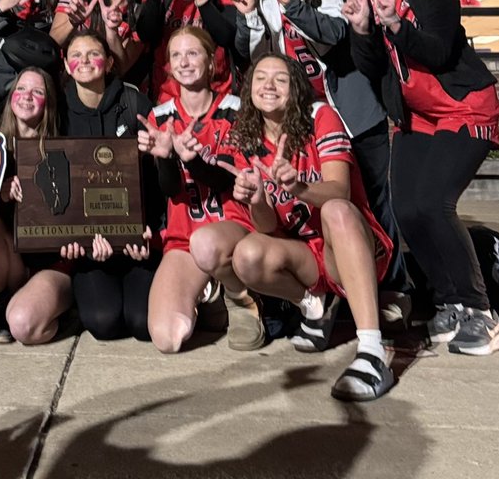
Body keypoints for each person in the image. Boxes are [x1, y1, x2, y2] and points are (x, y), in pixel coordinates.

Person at [229, 0, 410, 325]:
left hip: (348, 107)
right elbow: (256, 57)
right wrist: (250, 15)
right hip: (305, 116)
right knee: (319, 204)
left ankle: (394, 288)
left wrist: (293, 4)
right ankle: (335, 293)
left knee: (377, 201)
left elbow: (336, 33)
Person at [342, 0, 499, 356]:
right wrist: (363, 31)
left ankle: (481, 311)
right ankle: (450, 301)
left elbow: (439, 50)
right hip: (414, 115)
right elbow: (371, 68)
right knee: (407, 210)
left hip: (464, 105)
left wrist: (393, 22)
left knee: (434, 202)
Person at [224, 53, 395, 402]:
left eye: (281, 79)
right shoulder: (244, 134)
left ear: (296, 88)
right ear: (248, 88)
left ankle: (373, 352)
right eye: (260, 78)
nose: (269, 85)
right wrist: (257, 198)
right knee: (247, 254)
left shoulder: (321, 116)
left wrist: (298, 187)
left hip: (349, 244)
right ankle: (313, 305)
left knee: (335, 211)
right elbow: (267, 226)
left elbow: (340, 193)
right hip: (305, 253)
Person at [138, 28, 261, 353]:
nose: (184, 61)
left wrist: (192, 161)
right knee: (168, 337)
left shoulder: (237, 109)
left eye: (193, 53)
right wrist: (165, 159)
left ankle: (241, 298)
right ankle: (210, 293)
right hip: (184, 233)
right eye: (176, 55)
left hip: (232, 227)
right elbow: (169, 189)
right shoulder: (161, 115)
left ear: (210, 63)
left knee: (205, 244)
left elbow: (231, 183)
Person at [56, 29, 162, 341]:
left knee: (142, 324)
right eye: (76, 55)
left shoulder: (133, 102)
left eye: (93, 54)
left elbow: (157, 181)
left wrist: (150, 233)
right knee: (103, 323)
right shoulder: (58, 112)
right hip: (88, 249)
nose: (85, 61)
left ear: (110, 62)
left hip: (135, 242)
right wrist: (68, 236)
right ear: (65, 65)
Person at [0, 67, 60, 343]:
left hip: (42, 263)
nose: (27, 96)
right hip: (3, 260)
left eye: (37, 91)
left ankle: (50, 309)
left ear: (49, 102)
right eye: (20, 89)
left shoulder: (61, 148)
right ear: (10, 97)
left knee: (26, 324)